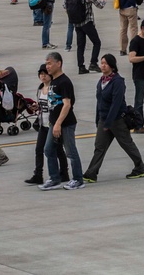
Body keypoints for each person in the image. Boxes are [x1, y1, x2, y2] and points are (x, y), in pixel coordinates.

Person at [81, 54, 144, 182]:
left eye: (105, 63)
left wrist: (108, 122)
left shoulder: (118, 81)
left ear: (112, 65)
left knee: (127, 145)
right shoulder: (101, 81)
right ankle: (91, 173)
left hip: (117, 120)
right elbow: (99, 101)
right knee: (99, 147)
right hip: (104, 119)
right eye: (101, 63)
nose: (103, 65)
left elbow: (116, 104)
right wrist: (98, 119)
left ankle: (140, 168)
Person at [39, 52, 85, 190]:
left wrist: (58, 123)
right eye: (46, 63)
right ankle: (54, 178)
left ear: (58, 64)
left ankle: (78, 179)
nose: (47, 66)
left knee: (70, 151)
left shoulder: (64, 82)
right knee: (48, 149)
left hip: (66, 124)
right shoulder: (53, 81)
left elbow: (67, 104)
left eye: (49, 63)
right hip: (54, 123)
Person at [24, 64, 67, 183]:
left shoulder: (53, 88)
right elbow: (42, 105)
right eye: (41, 74)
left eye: (45, 74)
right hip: (43, 124)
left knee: (58, 149)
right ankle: (38, 175)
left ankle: (64, 173)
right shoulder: (40, 89)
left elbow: (56, 106)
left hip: (52, 124)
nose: (43, 76)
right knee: (39, 149)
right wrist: (36, 107)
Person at [69, 0, 105, 74]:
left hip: (77, 23)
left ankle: (81, 67)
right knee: (97, 42)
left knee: (81, 45)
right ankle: (93, 62)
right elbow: (100, 5)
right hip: (87, 22)